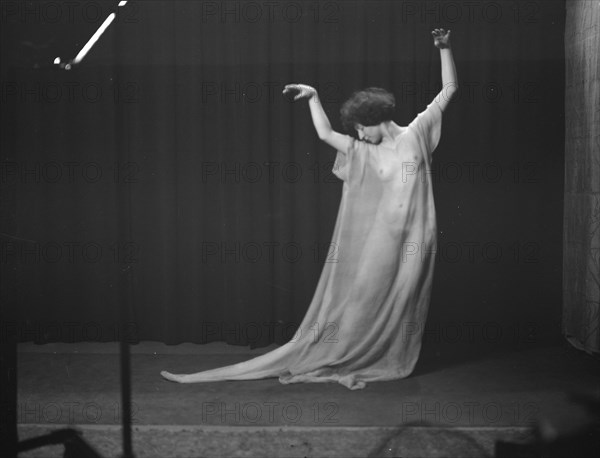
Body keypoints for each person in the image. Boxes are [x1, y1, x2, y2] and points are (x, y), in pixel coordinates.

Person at [161, 29, 458, 390]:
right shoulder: (365, 150)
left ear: (377, 117)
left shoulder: (417, 133)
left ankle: (382, 355)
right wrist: (314, 98)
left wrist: (444, 49)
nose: (359, 136)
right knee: (362, 297)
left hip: (417, 237)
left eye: (362, 128)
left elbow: (448, 91)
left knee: (404, 300)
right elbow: (325, 135)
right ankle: (340, 353)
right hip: (383, 236)